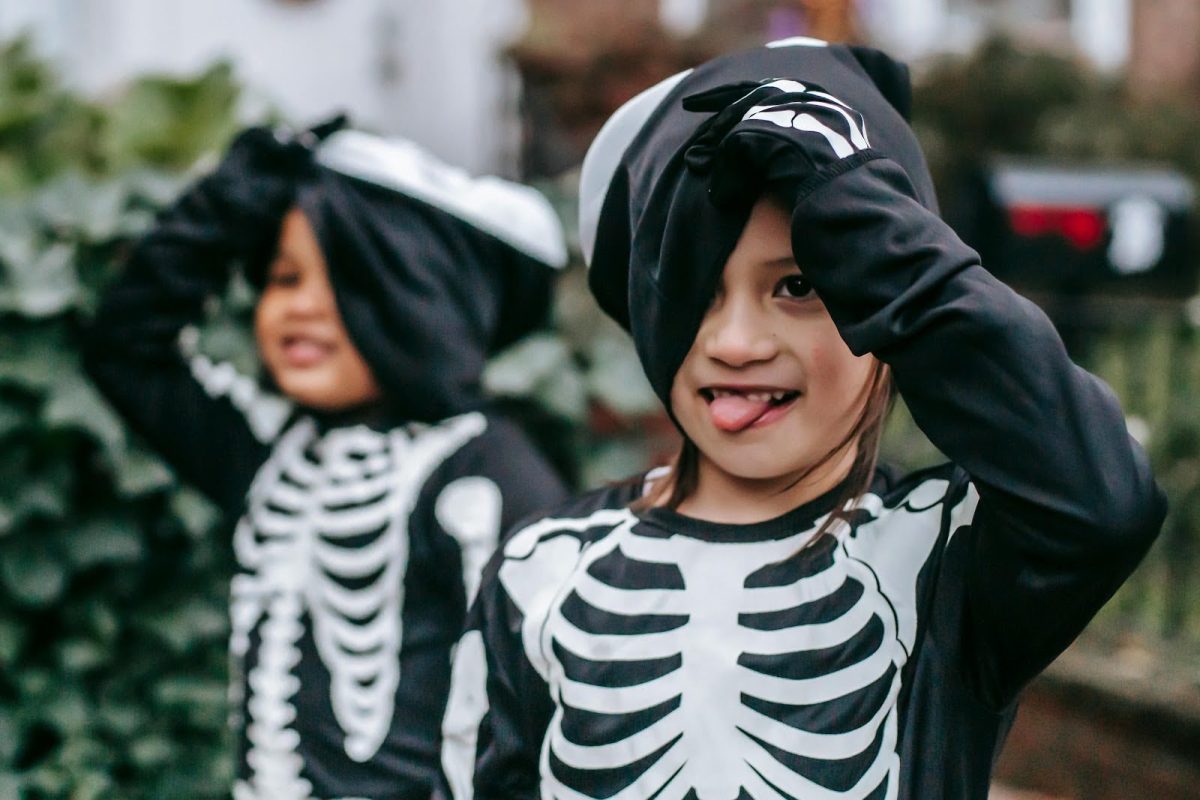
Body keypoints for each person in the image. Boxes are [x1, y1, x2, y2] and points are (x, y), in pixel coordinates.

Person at [436, 39, 1166, 800]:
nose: (736, 344)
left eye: (799, 285)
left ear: (885, 295)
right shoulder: (540, 569)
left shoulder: (947, 559)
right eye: (697, 289)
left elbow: (1104, 502)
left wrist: (850, 201)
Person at [84, 120, 570, 800]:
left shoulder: (484, 472)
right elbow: (126, 347)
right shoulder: (267, 451)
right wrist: (235, 196)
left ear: (420, 298)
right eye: (281, 278)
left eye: (343, 281)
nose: (298, 309)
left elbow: (537, 710)